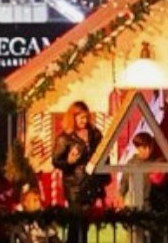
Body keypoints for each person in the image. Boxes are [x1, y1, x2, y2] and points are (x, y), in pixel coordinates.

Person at [50, 100, 104, 236]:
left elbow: (103, 152)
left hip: (91, 184)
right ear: (73, 118)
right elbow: (56, 161)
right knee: (76, 224)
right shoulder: (65, 138)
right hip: (74, 186)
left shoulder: (94, 134)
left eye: (86, 117)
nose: (84, 120)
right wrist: (68, 161)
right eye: (81, 118)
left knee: (84, 226)